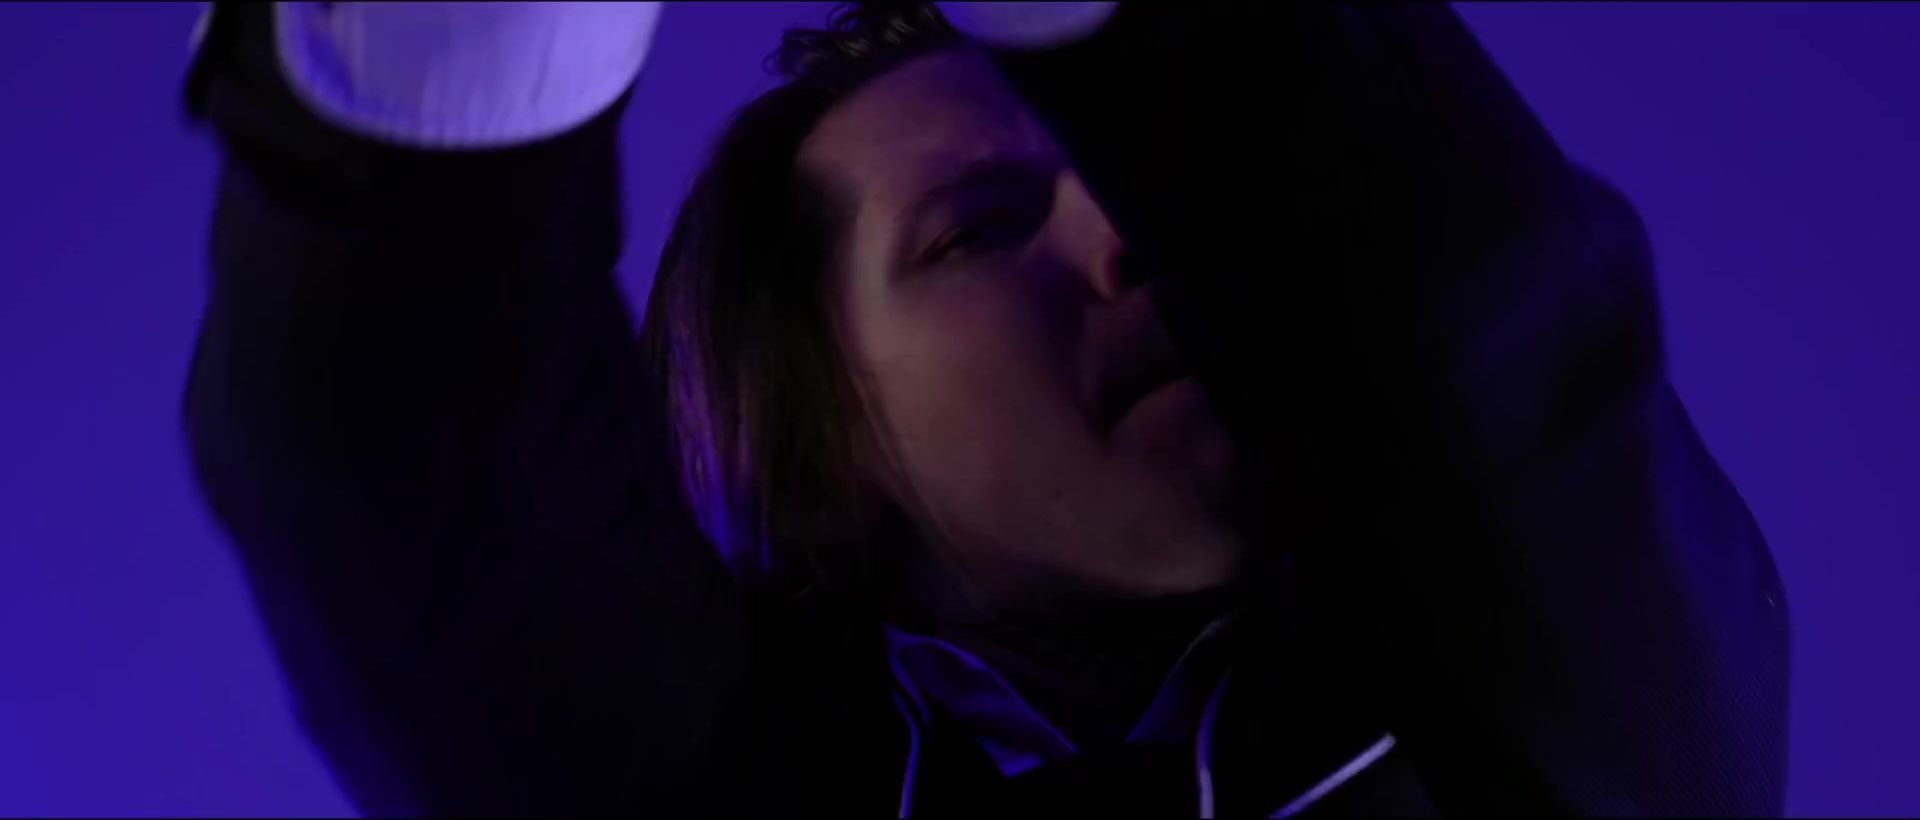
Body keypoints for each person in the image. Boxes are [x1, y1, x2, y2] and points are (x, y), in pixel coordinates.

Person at [180, 2, 1790, 816]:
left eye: (1138, 190)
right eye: (980, 227)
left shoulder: (1555, 701)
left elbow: (1495, 365)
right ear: (814, 457)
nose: (1129, 242)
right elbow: (418, 487)